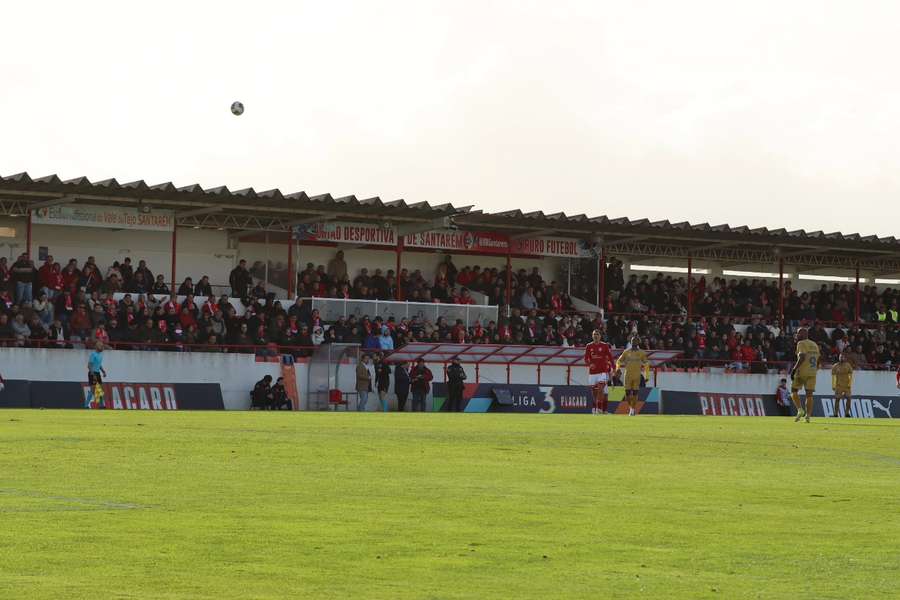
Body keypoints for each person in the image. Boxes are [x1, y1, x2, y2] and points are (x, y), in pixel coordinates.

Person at [791, 327, 820, 423]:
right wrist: (815, 369)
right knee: (809, 395)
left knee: (794, 390)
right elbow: (818, 359)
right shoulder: (814, 344)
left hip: (801, 372)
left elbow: (802, 357)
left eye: (798, 333)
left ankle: (800, 410)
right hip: (812, 373)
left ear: (803, 334)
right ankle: (808, 416)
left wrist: (794, 369)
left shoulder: (801, 343)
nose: (797, 335)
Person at [616, 336, 649, 416]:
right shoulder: (626, 352)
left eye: (635, 340)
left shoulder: (642, 353)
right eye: (632, 340)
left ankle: (632, 409)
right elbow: (618, 361)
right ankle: (631, 407)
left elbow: (646, 364)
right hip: (627, 375)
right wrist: (617, 368)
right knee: (627, 394)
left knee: (635, 393)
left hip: (637, 376)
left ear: (638, 342)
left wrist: (646, 375)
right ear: (630, 342)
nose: (634, 342)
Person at [584, 329, 614, 415]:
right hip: (592, 373)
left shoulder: (604, 346)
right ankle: (595, 408)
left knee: (601, 390)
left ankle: (600, 409)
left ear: (600, 336)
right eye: (594, 334)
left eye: (597, 334)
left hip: (602, 372)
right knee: (594, 393)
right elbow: (586, 359)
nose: (596, 336)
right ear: (592, 336)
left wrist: (614, 366)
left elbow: (610, 357)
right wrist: (590, 364)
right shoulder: (588, 346)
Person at [86, 341, 108, 409]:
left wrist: (103, 371)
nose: (102, 347)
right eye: (101, 346)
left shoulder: (100, 355)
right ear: (97, 346)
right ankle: (86, 405)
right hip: (93, 373)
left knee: (100, 390)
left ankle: (101, 405)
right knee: (93, 390)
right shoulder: (93, 354)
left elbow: (99, 365)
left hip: (97, 373)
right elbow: (89, 365)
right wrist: (92, 374)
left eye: (102, 346)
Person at [831, 353, 854, 418]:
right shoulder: (835, 366)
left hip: (846, 386)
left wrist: (850, 384)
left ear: (845, 358)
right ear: (839, 357)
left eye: (842, 357)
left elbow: (850, 375)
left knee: (849, 398)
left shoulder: (848, 365)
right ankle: (835, 414)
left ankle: (847, 413)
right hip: (838, 385)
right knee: (837, 399)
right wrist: (833, 385)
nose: (841, 358)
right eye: (840, 357)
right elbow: (833, 376)